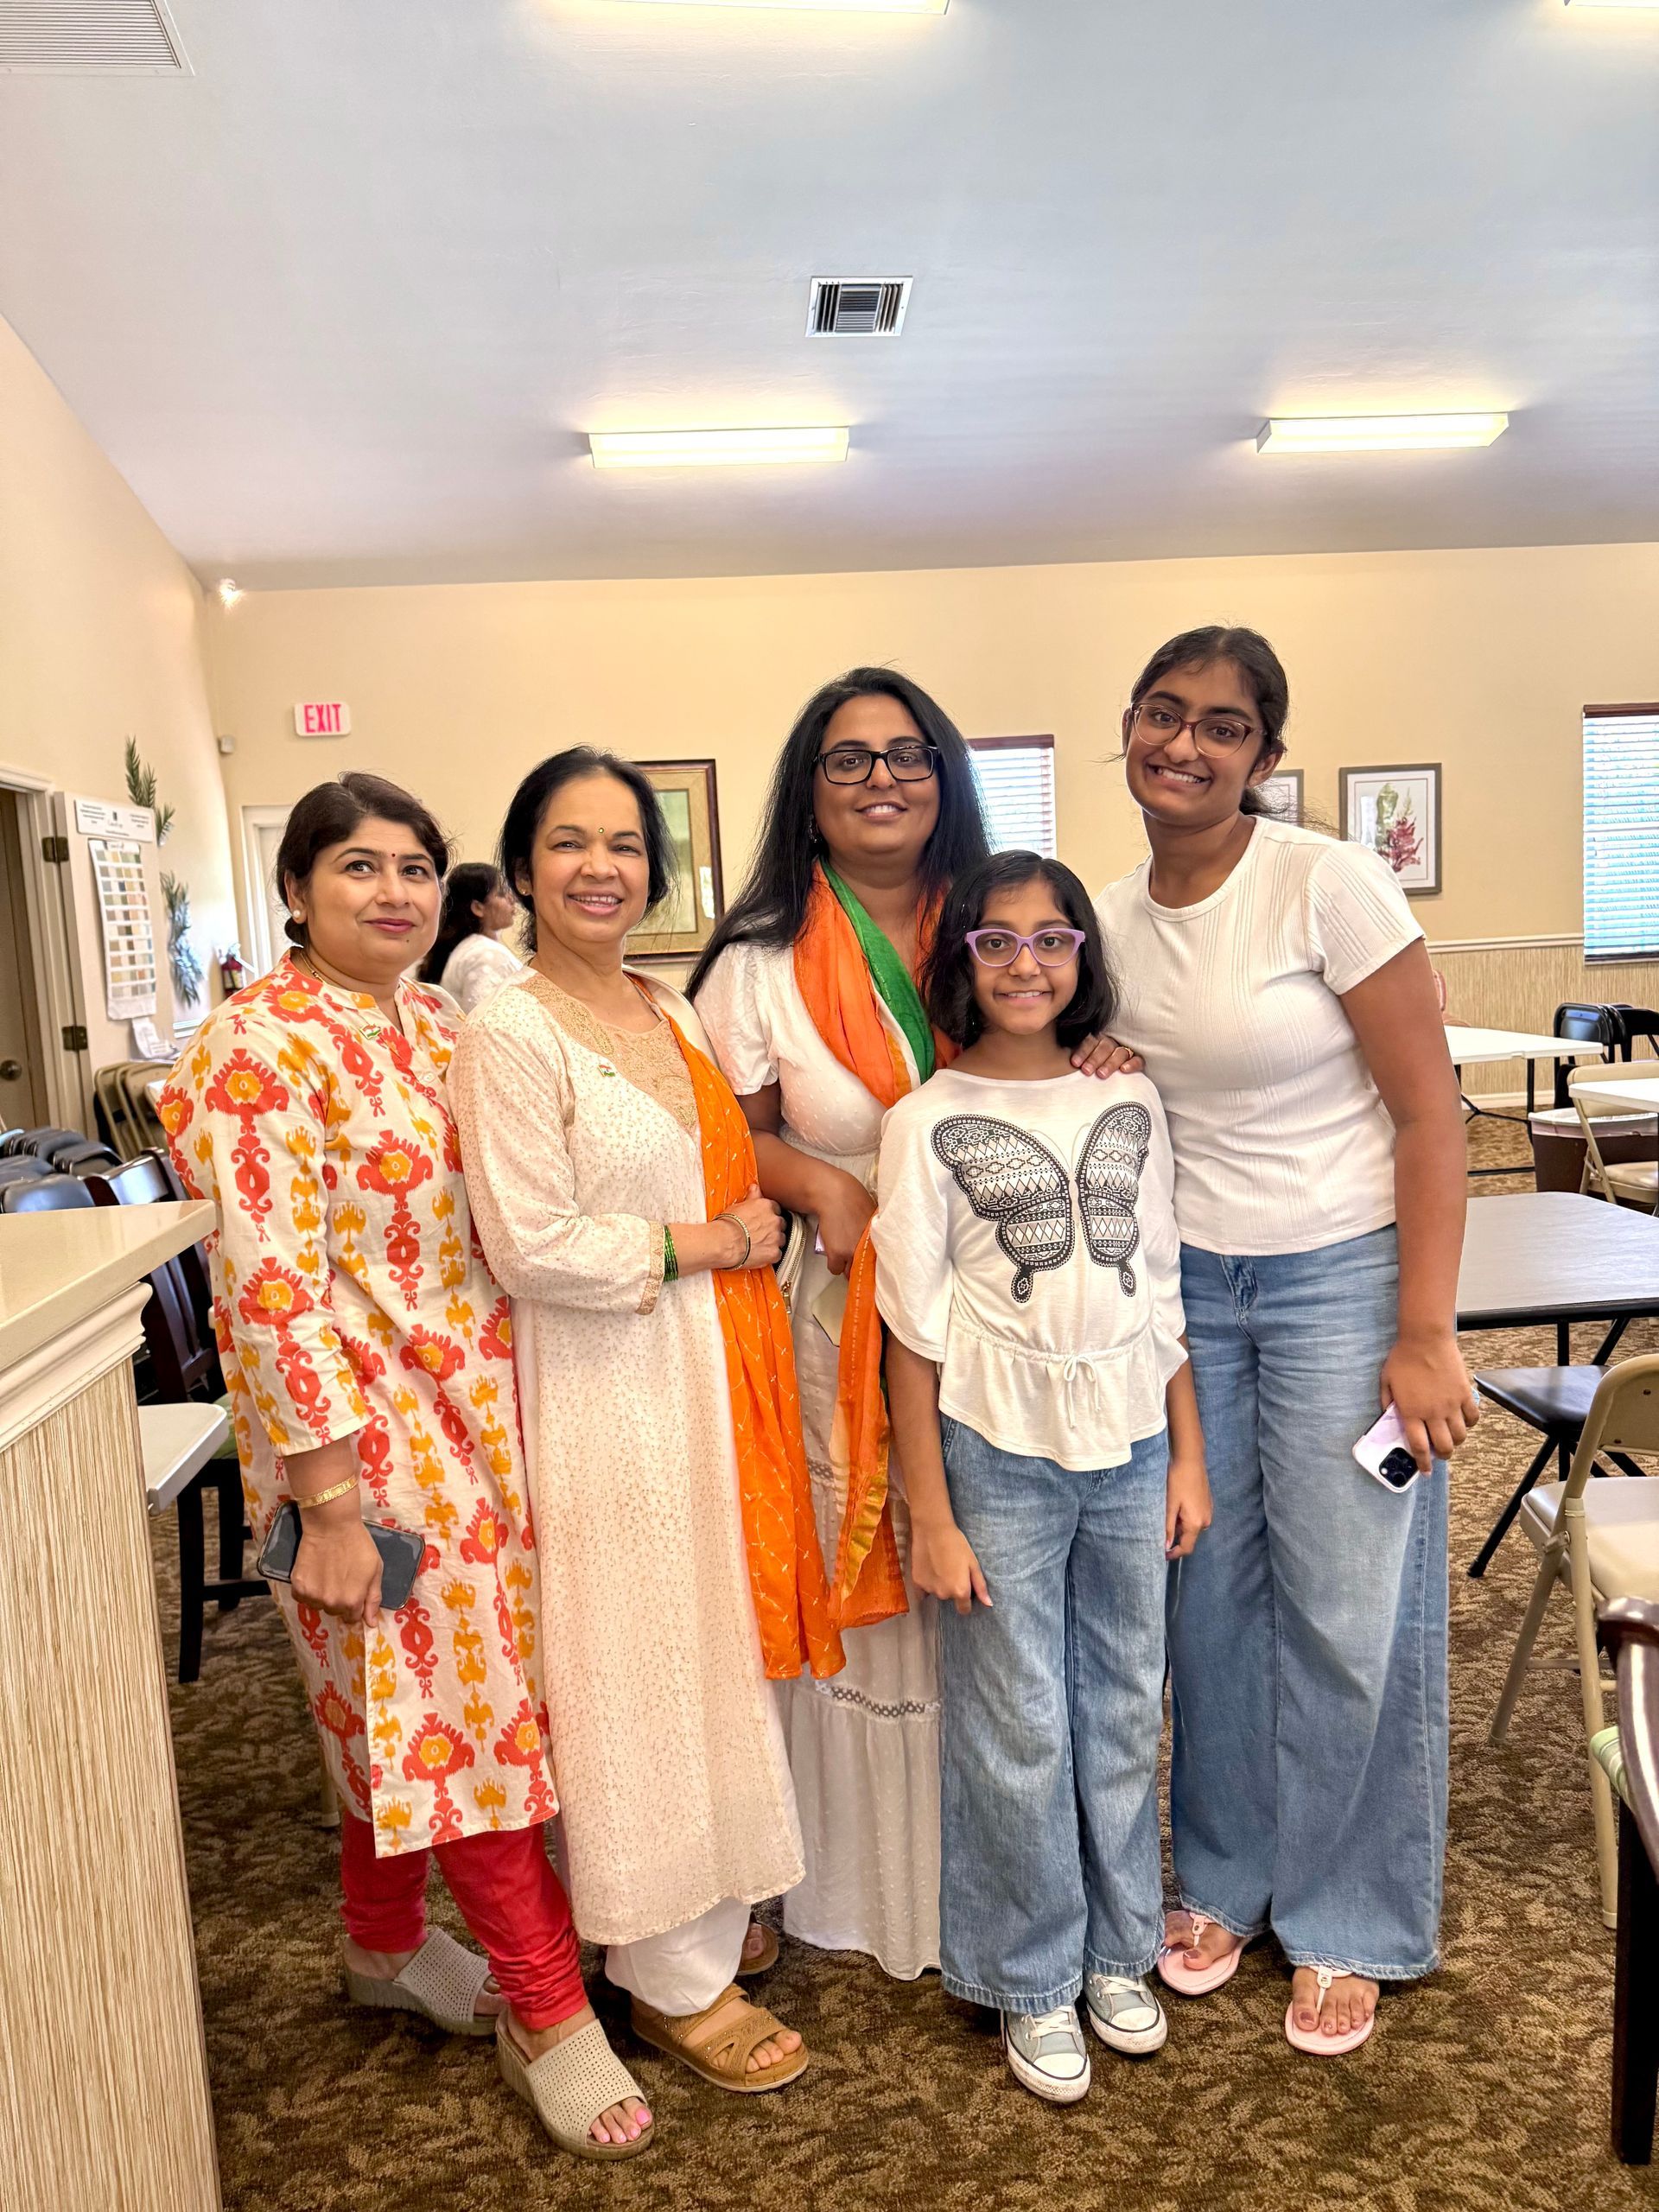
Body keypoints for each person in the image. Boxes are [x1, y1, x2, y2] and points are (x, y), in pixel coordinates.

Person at [158, 771, 655, 2160]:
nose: (394, 894)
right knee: (462, 1715)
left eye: (417, 869)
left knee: (407, 1705)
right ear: (298, 891)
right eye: (360, 869)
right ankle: (548, 2010)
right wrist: (326, 1501)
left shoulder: (440, 1019)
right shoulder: (256, 1047)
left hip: (483, 1412)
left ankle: (381, 1943)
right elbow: (266, 1290)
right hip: (364, 1447)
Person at [1083, 626, 1477, 2055]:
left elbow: (1436, 1117)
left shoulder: (1329, 883)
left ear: (1262, 754)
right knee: (1207, 1599)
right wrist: (1093, 1056)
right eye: (1166, 714)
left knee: (1350, 1604)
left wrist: (1423, 1330)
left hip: (1340, 1289)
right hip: (1188, 1303)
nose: (1187, 744)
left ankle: (1356, 1914)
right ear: (1127, 723)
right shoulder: (1109, 918)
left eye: (1226, 727)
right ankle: (1232, 1880)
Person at [449, 747, 830, 2097]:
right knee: (632, 1667)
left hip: (703, 1374)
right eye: (568, 841)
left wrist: (734, 1247)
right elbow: (531, 1244)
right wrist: (712, 1242)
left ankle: (702, 1918)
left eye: (624, 844)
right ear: (522, 867)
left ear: (655, 874)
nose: (600, 866)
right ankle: (668, 1973)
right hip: (604, 1384)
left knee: (707, 1643)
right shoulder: (507, 1027)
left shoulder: (667, 1010)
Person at [874, 852, 1210, 2103]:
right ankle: (1030, 1974)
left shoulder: (1129, 1100)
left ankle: (1120, 1949)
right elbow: (910, 1334)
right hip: (995, 1452)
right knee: (1018, 1724)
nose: (1027, 963)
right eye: (997, 942)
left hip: (1129, 1445)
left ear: (1085, 958)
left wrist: (1187, 1455)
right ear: (959, 959)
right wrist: (932, 1515)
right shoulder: (924, 1123)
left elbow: (1161, 1288)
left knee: (1124, 1705)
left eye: (1053, 939)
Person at [690, 668, 991, 1980]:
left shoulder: (1005, 929)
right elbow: (715, 1143)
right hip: (836, 1319)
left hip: (1003, 1315)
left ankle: (1000, 1859)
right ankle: (827, 1875)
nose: (883, 778)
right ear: (807, 797)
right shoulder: (756, 966)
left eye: (908, 753)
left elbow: (1077, 1056)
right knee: (854, 1575)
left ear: (946, 779)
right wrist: (824, 1181)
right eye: (849, 758)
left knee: (994, 1566)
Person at [417, 860, 524, 1013]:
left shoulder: (469, 949)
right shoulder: (484, 954)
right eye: (501, 893)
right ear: (478, 908)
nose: (512, 899)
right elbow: (488, 1025)